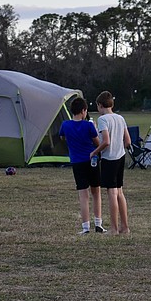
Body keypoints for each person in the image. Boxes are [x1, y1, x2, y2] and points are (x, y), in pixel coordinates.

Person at [58, 97, 103, 234]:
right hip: (92, 161)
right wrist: (94, 128)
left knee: (83, 194)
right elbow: (97, 143)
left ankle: (85, 227)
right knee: (96, 192)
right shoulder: (88, 125)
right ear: (84, 111)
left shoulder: (65, 125)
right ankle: (98, 223)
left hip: (77, 162)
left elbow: (62, 138)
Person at [93, 91, 132, 236]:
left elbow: (106, 141)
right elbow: (127, 141)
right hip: (121, 156)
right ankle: (125, 227)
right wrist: (119, 146)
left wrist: (95, 152)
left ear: (100, 105)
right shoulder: (120, 118)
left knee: (111, 193)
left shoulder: (103, 120)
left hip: (109, 159)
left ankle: (114, 229)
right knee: (120, 192)